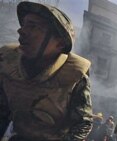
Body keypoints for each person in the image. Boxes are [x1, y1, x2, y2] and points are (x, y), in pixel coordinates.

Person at [0, 1, 93, 141]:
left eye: (33, 26)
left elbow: (82, 123)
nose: (21, 31)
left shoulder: (74, 74)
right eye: (24, 25)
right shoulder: (8, 63)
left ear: (60, 43)